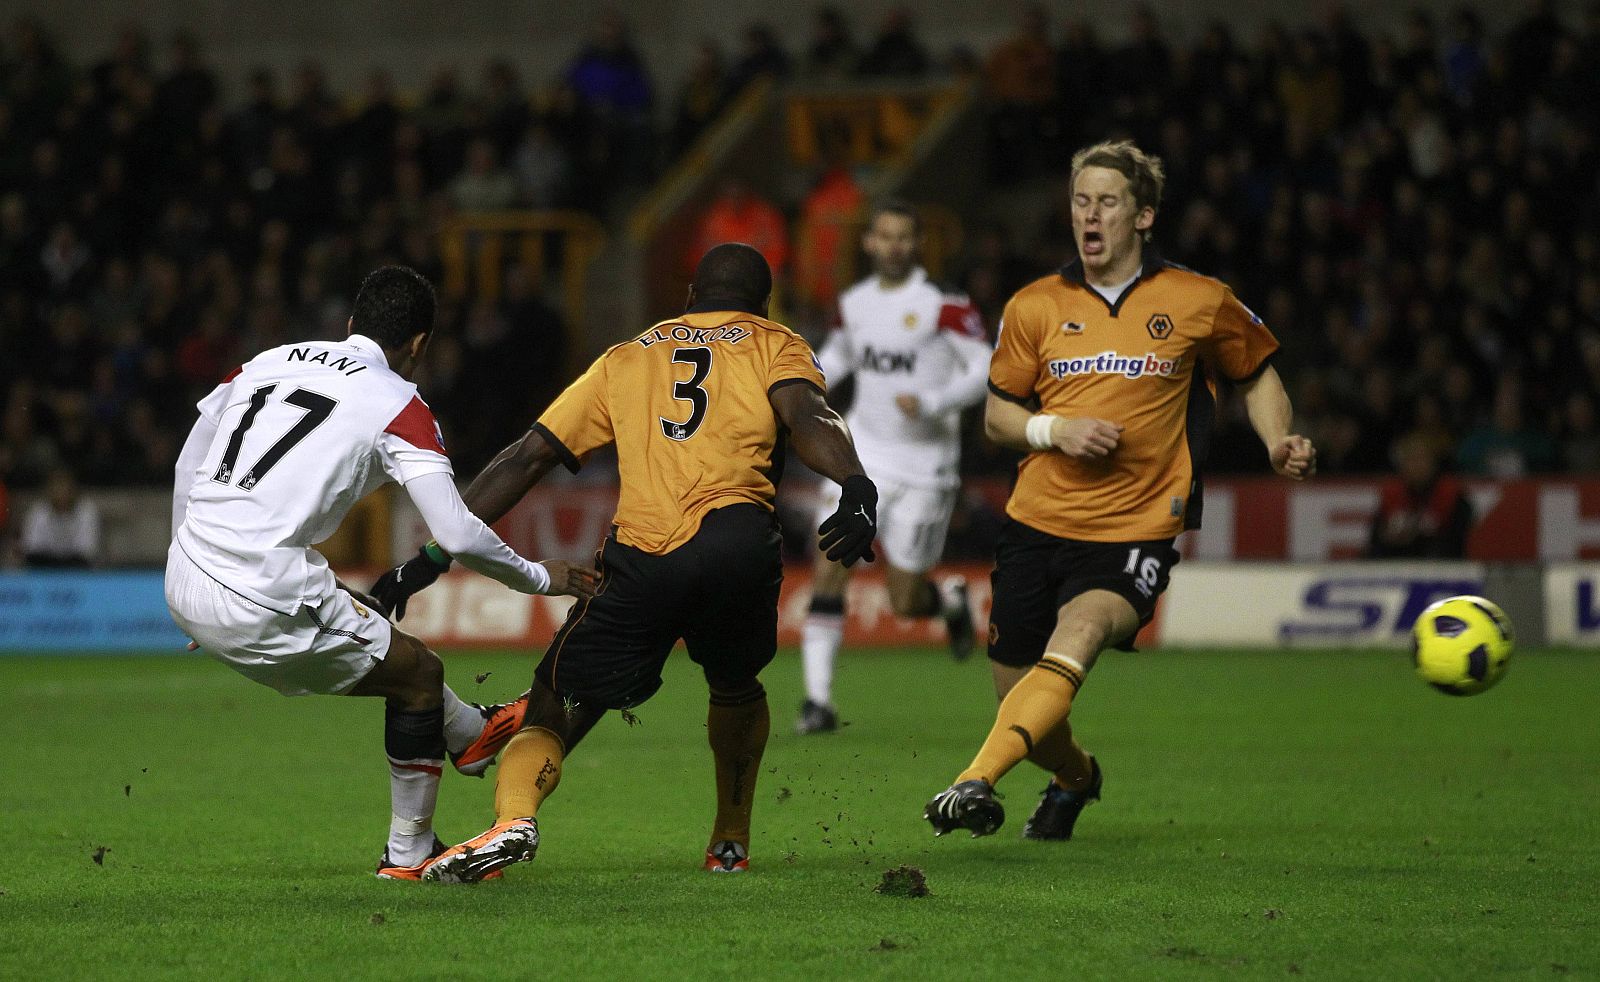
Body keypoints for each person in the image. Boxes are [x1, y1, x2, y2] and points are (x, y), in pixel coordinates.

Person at [371, 243, 878, 882]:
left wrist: (433, 554)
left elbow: (529, 456)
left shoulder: (627, 356)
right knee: (736, 686)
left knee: (557, 699)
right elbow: (808, 415)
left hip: (645, 556)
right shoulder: (776, 343)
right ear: (763, 304)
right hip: (739, 547)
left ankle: (513, 821)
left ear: (690, 296)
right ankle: (729, 839)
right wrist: (856, 484)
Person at [923, 141, 1316, 841]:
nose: (1089, 215)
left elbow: (1254, 373)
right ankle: (1076, 777)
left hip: (1135, 528)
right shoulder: (1034, 306)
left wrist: (1276, 440)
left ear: (1143, 216)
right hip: (1035, 523)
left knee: (1081, 632)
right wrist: (1056, 430)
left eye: (1106, 201)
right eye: (1080, 201)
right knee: (1025, 703)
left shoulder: (1198, 300)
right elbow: (997, 415)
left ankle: (972, 782)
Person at [164, 266, 598, 879]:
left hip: (189, 570)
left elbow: (192, 454)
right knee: (419, 675)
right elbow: (454, 532)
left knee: (353, 612)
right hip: (255, 589)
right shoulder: (401, 403)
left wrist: (189, 561)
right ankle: (409, 851)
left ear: (349, 325)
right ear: (419, 345)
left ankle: (469, 731)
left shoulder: (267, 361)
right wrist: (539, 577)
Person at [796, 201, 991, 735]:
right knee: (829, 562)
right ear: (869, 243)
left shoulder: (944, 305)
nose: (893, 246)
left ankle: (947, 603)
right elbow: (837, 357)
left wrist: (933, 401)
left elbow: (985, 367)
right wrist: (796, 385)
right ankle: (818, 702)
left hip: (927, 467)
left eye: (904, 237)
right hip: (862, 457)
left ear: (917, 243)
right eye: (884, 236)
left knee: (903, 601)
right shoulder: (854, 304)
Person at [1367, 433, 1473, 558]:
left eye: (1421, 458)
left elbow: (1459, 540)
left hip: (1440, 563)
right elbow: (1376, 538)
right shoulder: (1392, 494)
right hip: (1398, 561)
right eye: (1410, 459)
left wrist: (1417, 537)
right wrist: (1389, 538)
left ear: (1433, 461)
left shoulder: (1452, 493)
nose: (1417, 465)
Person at [20, 468, 99, 567]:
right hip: (44, 570)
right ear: (49, 491)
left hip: (77, 571)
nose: (61, 494)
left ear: (73, 491)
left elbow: (87, 551)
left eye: (65, 489)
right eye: (57, 489)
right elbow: (31, 549)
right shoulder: (38, 512)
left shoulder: (86, 512)